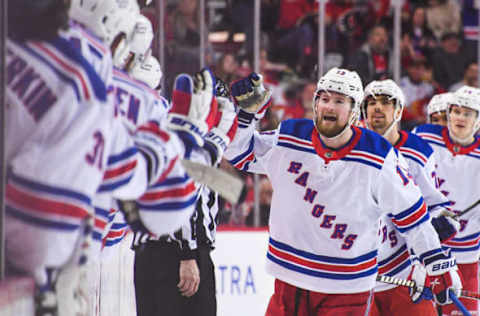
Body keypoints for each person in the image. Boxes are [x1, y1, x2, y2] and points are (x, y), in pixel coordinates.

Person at [224, 68, 462, 315]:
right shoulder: (290, 137)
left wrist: (436, 262)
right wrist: (246, 116)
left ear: (354, 111)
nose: (329, 106)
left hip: (347, 290)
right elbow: (240, 153)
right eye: (324, 99)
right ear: (315, 104)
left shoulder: (378, 156)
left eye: (339, 101)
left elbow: (412, 216)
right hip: (289, 281)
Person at [133, 81, 238, 316]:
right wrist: (188, 254)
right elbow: (183, 197)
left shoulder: (171, 136)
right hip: (177, 253)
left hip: (151, 251)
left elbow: (230, 188)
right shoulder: (190, 147)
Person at [361, 79, 458, 316]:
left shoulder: (417, 151)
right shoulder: (354, 147)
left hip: (404, 272)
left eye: (385, 102)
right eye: (371, 102)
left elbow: (436, 208)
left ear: (398, 110)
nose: (377, 108)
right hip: (361, 277)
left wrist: (425, 257)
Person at [414, 86, 480, 316]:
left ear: (478, 120)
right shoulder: (423, 136)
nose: (459, 117)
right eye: (456, 111)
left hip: (465, 254)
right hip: (424, 251)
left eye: (468, 113)